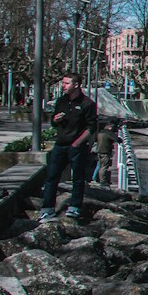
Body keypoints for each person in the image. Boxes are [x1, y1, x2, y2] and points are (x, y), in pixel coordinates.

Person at [41, 72, 98, 221]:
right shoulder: (61, 101)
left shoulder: (88, 104)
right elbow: (54, 123)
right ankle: (47, 209)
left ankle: (75, 207)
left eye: (66, 83)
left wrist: (77, 143)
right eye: (63, 83)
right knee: (51, 177)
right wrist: (55, 120)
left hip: (77, 147)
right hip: (60, 145)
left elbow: (92, 127)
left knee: (78, 178)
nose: (63, 86)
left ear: (76, 85)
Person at [94, 116, 118, 186]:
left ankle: (94, 178)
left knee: (99, 165)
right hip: (105, 152)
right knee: (104, 167)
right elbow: (116, 139)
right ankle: (102, 181)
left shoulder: (101, 132)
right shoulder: (108, 133)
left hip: (99, 151)